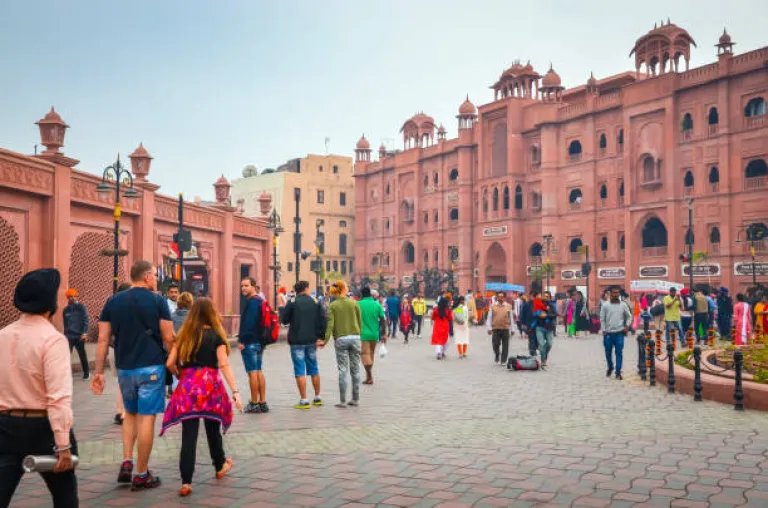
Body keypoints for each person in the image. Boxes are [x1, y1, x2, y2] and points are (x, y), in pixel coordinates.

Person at [92, 260, 174, 490]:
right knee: (147, 417)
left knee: (130, 414)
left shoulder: (113, 301)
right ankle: (141, 473)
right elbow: (168, 337)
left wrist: (99, 372)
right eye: (155, 276)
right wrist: (175, 364)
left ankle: (127, 461)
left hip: (125, 367)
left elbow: (102, 339)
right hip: (151, 367)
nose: (156, 280)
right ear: (147, 276)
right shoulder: (158, 301)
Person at [0, 269, 78, 507]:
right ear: (50, 303)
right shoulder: (53, 339)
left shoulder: (2, 335)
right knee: (64, 493)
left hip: (5, 426)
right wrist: (63, 444)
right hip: (44, 427)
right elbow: (58, 397)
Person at [161, 298, 241, 497]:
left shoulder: (185, 335)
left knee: (189, 434)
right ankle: (220, 464)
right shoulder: (216, 336)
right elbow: (223, 365)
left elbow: (170, 363)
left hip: (188, 387)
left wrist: (181, 375)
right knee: (213, 427)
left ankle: (186, 481)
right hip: (210, 387)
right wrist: (235, 391)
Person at [281, 281, 325, 409]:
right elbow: (323, 319)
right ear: (306, 288)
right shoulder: (315, 301)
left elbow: (284, 320)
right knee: (314, 368)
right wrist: (321, 337)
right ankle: (317, 397)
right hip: (312, 340)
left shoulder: (293, 302)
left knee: (300, 370)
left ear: (296, 290)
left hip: (297, 340)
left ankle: (304, 400)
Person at [322, 280, 363, 407]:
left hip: (341, 339)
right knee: (355, 370)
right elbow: (359, 321)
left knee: (343, 370)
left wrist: (325, 340)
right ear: (345, 289)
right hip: (355, 338)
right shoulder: (354, 303)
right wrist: (358, 334)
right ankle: (355, 399)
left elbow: (330, 325)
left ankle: (343, 401)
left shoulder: (333, 306)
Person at [238, 277, 268, 414]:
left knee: (252, 373)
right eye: (242, 286)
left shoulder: (251, 303)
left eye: (246, 285)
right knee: (259, 371)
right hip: (260, 342)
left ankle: (254, 403)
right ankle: (263, 402)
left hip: (250, 342)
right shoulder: (260, 301)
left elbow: (248, 324)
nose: (243, 288)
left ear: (254, 286)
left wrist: (242, 341)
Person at [107, 283, 132, 425]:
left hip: (112, 348)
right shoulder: (131, 309)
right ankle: (124, 412)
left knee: (119, 381)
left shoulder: (111, 307)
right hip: (127, 348)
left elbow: (104, 335)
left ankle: (119, 411)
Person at [600, 286, 633, 380]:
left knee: (619, 352)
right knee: (608, 353)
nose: (615, 295)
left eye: (617, 293)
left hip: (619, 333)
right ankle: (610, 366)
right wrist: (603, 330)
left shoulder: (623, 305)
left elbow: (629, 316)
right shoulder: (605, 305)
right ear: (610, 293)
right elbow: (602, 319)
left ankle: (618, 372)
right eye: (613, 293)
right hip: (608, 334)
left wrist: (627, 326)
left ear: (619, 294)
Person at [358, 287, 386, 385]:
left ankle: (369, 376)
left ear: (361, 295)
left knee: (365, 355)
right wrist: (384, 334)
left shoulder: (358, 304)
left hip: (363, 334)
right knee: (370, 355)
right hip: (375, 334)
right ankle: (368, 377)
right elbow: (383, 320)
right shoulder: (377, 304)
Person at [63, 287, 90, 380]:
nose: (73, 298)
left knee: (82, 355)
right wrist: (65, 336)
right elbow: (65, 324)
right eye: (70, 296)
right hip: (69, 336)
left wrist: (84, 333)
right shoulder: (65, 310)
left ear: (77, 297)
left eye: (74, 296)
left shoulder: (82, 307)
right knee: (66, 356)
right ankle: (65, 374)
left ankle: (86, 373)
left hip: (79, 336)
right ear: (67, 298)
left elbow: (86, 320)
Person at [486, 291, 514, 365]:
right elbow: (489, 317)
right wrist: (489, 328)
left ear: (504, 297)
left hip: (505, 328)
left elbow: (511, 318)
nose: (500, 298)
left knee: (505, 345)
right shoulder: (492, 306)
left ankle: (503, 360)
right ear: (497, 297)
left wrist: (512, 329)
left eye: (502, 296)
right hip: (495, 328)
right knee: (495, 344)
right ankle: (497, 354)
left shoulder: (508, 306)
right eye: (499, 296)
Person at [532, 291, 557, 369]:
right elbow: (533, 313)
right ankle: (543, 361)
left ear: (549, 298)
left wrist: (546, 315)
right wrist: (539, 314)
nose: (545, 298)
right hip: (539, 327)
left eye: (547, 296)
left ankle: (544, 356)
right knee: (541, 345)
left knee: (549, 344)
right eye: (544, 296)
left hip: (549, 328)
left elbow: (554, 315)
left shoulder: (552, 306)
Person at [520, 291, 537, 356]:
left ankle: (534, 349)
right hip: (529, 324)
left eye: (535, 296)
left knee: (536, 339)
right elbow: (523, 314)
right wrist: (523, 324)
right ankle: (532, 351)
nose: (533, 298)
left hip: (538, 324)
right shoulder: (527, 304)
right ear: (530, 296)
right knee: (531, 338)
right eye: (532, 296)